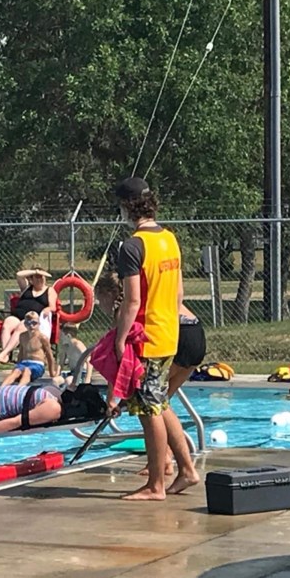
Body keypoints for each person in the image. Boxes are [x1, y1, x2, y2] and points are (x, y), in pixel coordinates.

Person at [106, 176, 200, 500]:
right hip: (168, 333)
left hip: (146, 337)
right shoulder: (169, 239)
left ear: (126, 207)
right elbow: (179, 292)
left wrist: (120, 340)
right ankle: (187, 471)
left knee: (150, 411)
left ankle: (155, 485)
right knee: (160, 404)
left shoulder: (132, 246)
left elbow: (132, 301)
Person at [95, 271, 206, 479]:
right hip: (195, 333)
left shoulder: (124, 311)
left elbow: (120, 360)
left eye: (100, 299)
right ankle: (167, 461)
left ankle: (177, 468)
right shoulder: (145, 296)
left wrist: (111, 399)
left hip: (178, 335)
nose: (101, 305)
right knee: (160, 403)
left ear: (109, 293)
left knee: (152, 404)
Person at [0, 266, 57, 364]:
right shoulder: (27, 287)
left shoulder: (49, 290)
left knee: (23, 325)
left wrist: (47, 309)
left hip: (33, 319)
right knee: (7, 324)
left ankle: (4, 353)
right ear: (31, 279)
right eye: (37, 277)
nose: (40, 279)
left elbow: (53, 307)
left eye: (42, 277)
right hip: (18, 316)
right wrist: (35, 271)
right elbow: (19, 275)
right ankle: (6, 356)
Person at [0, 311, 58, 387]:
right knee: (16, 371)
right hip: (23, 363)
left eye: (34, 323)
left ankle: (19, 389)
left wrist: (52, 372)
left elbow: (49, 356)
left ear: (39, 323)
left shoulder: (42, 338)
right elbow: (21, 353)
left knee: (27, 370)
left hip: (37, 365)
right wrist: (17, 366)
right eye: (28, 323)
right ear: (24, 324)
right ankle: (0, 389)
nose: (31, 326)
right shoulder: (22, 336)